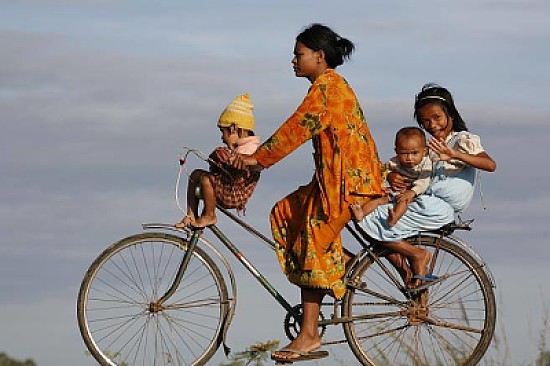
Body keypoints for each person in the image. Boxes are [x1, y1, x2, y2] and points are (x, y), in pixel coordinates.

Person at [230, 24, 385, 363]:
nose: (293, 60)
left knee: (311, 237)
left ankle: (310, 334)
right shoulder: (326, 87)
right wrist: (260, 161)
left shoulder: (328, 89)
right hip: (331, 182)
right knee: (287, 212)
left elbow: (297, 128)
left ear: (320, 56)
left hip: (350, 185)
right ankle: (341, 266)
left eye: (298, 54)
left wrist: (258, 158)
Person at [355, 83, 496, 289]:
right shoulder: (427, 148)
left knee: (368, 219)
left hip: (439, 207)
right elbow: (414, 173)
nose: (432, 125)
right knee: (376, 219)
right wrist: (393, 175)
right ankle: (416, 291)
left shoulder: (462, 140)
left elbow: (490, 164)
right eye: (425, 121)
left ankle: (416, 256)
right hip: (425, 203)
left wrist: (455, 154)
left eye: (437, 117)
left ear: (450, 114)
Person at [176, 93, 261, 228]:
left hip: (234, 193)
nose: (222, 137)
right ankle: (191, 214)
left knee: (206, 179)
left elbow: (244, 167)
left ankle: (210, 216)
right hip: (227, 186)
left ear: (233, 129)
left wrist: (221, 157)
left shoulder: (250, 149)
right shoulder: (239, 148)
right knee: (196, 174)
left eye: (223, 132)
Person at [351, 126, 432, 227]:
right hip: (395, 191)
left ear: (424, 151)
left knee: (403, 201)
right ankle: (361, 214)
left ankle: (395, 217)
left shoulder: (426, 163)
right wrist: (387, 177)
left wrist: (411, 193)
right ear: (396, 151)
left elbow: (423, 181)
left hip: (411, 192)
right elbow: (382, 172)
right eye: (404, 153)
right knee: (378, 200)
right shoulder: (395, 161)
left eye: (414, 153)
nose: (409, 158)